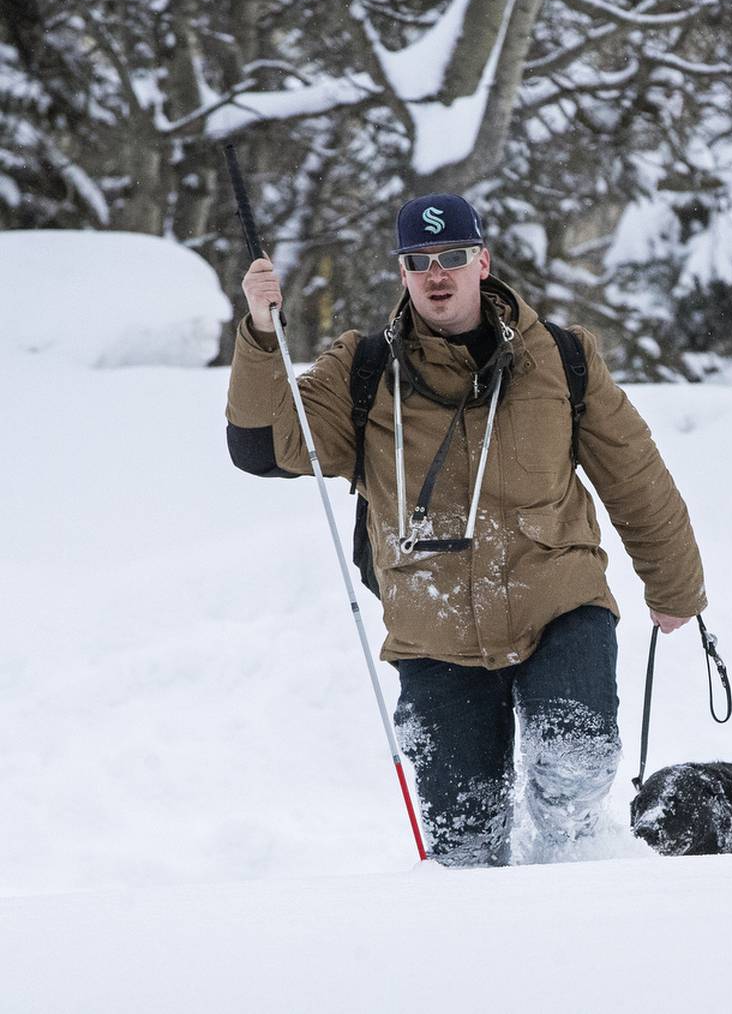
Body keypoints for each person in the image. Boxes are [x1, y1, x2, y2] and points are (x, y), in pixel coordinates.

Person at [226, 193, 706, 867]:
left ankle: (576, 873)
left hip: (558, 602)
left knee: (578, 758)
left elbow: (634, 474)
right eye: (419, 261)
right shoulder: (362, 372)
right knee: (465, 844)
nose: (437, 273)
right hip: (434, 630)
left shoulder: (562, 359)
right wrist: (258, 332)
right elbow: (261, 447)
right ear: (402, 273)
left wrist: (675, 585)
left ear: (482, 261)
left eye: (452, 256)